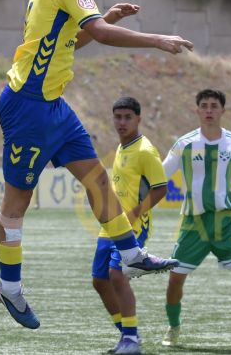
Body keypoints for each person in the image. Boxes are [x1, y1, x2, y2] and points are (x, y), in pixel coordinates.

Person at [0, 0, 193, 330]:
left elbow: (72, 42)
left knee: (98, 182)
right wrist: (156, 39)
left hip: (53, 107)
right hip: (29, 108)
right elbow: (99, 33)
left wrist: (111, 19)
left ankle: (132, 253)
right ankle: (8, 286)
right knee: (15, 208)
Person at [161, 89, 231, 350]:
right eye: (204, 106)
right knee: (175, 279)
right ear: (197, 110)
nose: (209, 110)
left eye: (214, 106)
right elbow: (160, 173)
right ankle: (173, 327)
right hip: (193, 223)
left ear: (223, 111)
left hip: (226, 221)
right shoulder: (184, 144)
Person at [92, 97, 169, 355]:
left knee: (117, 275)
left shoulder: (145, 150)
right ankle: (126, 334)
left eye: (127, 117)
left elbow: (161, 189)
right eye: (118, 117)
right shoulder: (122, 147)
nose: (122, 122)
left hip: (133, 226)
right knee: (99, 280)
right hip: (112, 224)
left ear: (138, 119)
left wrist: (135, 214)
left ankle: (131, 340)